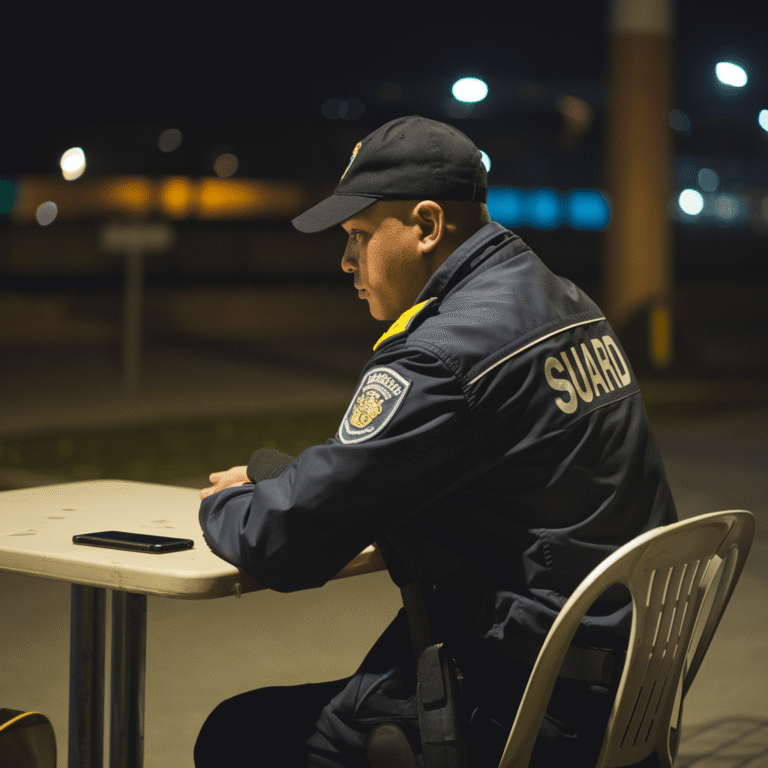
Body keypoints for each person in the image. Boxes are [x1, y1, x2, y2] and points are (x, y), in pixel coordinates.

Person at [193, 115, 677, 768]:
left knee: (235, 734)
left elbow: (287, 541)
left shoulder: (444, 355)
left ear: (426, 225)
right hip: (623, 681)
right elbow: (417, 472)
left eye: (359, 235)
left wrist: (223, 503)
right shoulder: (566, 304)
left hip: (526, 702)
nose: (346, 261)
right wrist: (289, 478)